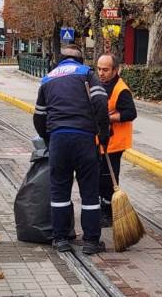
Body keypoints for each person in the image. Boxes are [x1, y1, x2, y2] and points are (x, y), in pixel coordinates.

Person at [33, 44, 110, 255]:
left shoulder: (48, 79)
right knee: (89, 193)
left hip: (58, 140)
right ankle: (91, 242)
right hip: (84, 140)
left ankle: (61, 239)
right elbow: (101, 103)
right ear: (80, 60)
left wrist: (48, 138)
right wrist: (103, 134)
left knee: (59, 191)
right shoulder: (87, 74)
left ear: (60, 60)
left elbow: (39, 116)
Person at [96, 54, 136, 228]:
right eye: (99, 69)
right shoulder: (100, 85)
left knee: (108, 180)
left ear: (115, 70)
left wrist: (108, 118)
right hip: (100, 141)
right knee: (99, 177)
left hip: (114, 143)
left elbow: (130, 113)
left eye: (105, 70)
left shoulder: (121, 90)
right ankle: (100, 209)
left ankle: (108, 213)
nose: (101, 73)